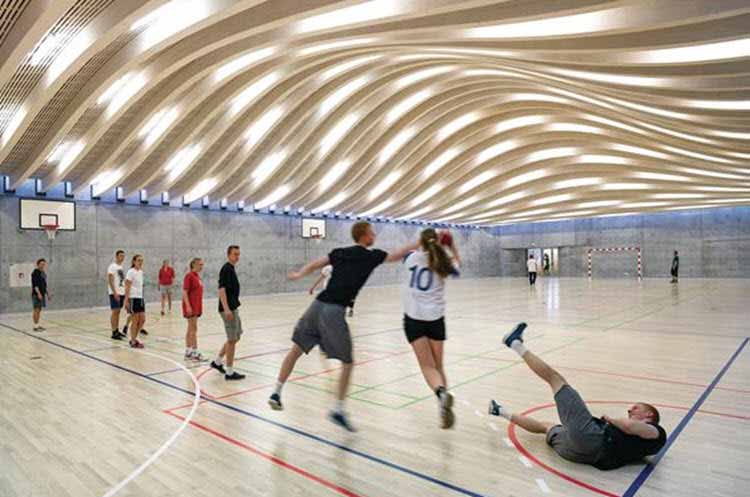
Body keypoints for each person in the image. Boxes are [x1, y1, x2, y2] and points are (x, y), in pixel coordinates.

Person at [268, 221, 419, 432]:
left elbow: (316, 264)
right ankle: (338, 409)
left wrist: (299, 274)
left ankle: (276, 391)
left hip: (317, 306)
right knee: (348, 362)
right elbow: (396, 255)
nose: (374, 234)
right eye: (371, 232)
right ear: (364, 236)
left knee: (295, 350)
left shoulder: (340, 252)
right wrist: (418, 242)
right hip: (333, 311)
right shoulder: (371, 255)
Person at [489, 322, 667, 470]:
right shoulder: (646, 446)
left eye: (636, 408)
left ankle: (515, 344)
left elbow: (629, 426)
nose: (630, 409)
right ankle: (499, 411)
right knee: (546, 427)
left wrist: (611, 420)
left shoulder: (656, 432)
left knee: (556, 379)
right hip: (581, 455)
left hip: (592, 438)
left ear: (649, 415)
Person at [401, 228, 461, 429]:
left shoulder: (411, 259)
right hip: (436, 319)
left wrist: (419, 245)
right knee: (438, 366)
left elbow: (406, 253)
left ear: (421, 242)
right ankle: (443, 405)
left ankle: (441, 394)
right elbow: (458, 266)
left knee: (427, 367)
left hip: (414, 320)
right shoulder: (444, 262)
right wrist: (451, 247)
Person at [210, 246, 246, 380]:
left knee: (236, 337)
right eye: (235, 254)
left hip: (233, 308)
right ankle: (229, 372)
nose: (237, 257)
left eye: (238, 254)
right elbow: (221, 289)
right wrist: (226, 309)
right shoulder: (226, 269)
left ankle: (217, 362)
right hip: (228, 310)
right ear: (228, 255)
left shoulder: (231, 268)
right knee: (232, 340)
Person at [182, 258, 205, 361]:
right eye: (200, 264)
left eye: (202, 265)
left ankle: (188, 351)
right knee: (193, 329)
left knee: (190, 328)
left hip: (196, 305)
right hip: (191, 306)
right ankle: (195, 352)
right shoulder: (189, 276)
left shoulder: (197, 277)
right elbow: (185, 292)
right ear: (193, 265)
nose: (201, 266)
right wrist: (188, 306)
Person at [123, 254, 147, 349]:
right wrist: (126, 300)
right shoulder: (130, 272)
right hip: (133, 298)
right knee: (135, 320)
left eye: (141, 260)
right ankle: (133, 341)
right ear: (134, 261)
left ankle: (134, 338)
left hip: (140, 298)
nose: (140, 262)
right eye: (138, 260)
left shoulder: (141, 272)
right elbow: (127, 286)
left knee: (142, 319)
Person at [108, 250, 128, 340]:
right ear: (116, 256)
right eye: (120, 256)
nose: (122, 257)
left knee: (118, 312)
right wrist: (114, 292)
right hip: (115, 293)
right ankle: (113, 332)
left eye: (123, 256)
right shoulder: (112, 266)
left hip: (121, 292)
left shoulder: (120, 267)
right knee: (115, 311)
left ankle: (117, 330)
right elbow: (110, 280)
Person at [31, 258, 50, 331]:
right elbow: (35, 285)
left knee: (39, 310)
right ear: (38, 264)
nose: (43, 265)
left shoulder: (43, 273)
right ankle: (35, 327)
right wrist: (38, 294)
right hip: (37, 295)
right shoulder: (35, 273)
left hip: (42, 294)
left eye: (44, 264)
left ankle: (37, 325)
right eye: (41, 264)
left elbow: (44, 285)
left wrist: (48, 294)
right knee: (36, 310)